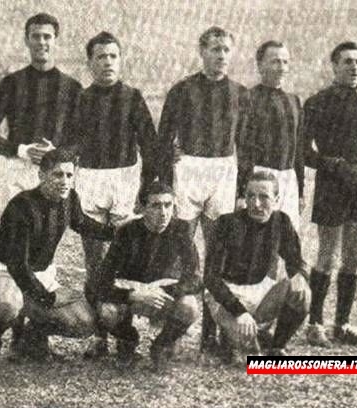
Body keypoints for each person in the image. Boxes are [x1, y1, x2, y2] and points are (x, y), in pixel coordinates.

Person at [62, 31, 160, 359]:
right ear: (90, 63)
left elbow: (149, 145)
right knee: (94, 261)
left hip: (125, 179)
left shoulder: (133, 97)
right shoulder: (81, 99)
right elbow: (70, 142)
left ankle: (125, 335)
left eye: (113, 56)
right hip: (90, 179)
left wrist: (145, 189)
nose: (108, 62)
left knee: (125, 260)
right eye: (101, 56)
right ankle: (99, 335)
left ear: (121, 60)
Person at [0, 148, 115, 376]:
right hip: (4, 272)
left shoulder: (70, 198)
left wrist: (119, 232)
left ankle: (31, 337)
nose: (65, 181)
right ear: (41, 175)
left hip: (41, 274)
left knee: (85, 322)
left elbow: (83, 224)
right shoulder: (21, 206)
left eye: (69, 175)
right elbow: (18, 266)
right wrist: (47, 298)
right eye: (57, 175)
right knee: (8, 303)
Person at [157, 26, 250, 352]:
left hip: (223, 170)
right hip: (188, 169)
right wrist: (165, 171)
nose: (221, 55)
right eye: (215, 49)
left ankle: (212, 334)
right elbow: (162, 138)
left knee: (217, 256)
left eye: (226, 49)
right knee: (179, 252)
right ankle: (171, 332)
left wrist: (242, 189)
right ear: (202, 51)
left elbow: (246, 146)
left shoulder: (241, 93)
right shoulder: (182, 90)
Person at [302, 42, 357, 347]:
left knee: (353, 257)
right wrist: (334, 165)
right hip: (332, 185)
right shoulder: (317, 102)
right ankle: (314, 323)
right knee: (327, 255)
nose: (354, 67)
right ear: (334, 66)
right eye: (348, 62)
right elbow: (304, 151)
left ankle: (342, 324)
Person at [203, 171, 311, 362]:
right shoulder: (227, 223)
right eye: (251, 196)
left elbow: (297, 261)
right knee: (248, 354)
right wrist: (239, 312)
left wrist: (300, 276)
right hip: (229, 295)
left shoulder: (282, 221)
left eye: (264, 197)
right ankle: (232, 335)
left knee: (302, 293)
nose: (256, 203)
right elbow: (211, 278)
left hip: (260, 292)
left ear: (276, 199)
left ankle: (277, 346)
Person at [94, 181, 201, 369]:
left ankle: (162, 344)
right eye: (156, 206)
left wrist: (164, 289)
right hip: (135, 295)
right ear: (142, 208)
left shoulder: (181, 230)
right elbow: (102, 281)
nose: (163, 212)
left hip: (162, 295)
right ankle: (128, 339)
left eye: (168, 205)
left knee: (190, 307)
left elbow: (195, 278)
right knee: (107, 311)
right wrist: (133, 294)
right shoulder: (127, 232)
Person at [0, 13, 82, 207]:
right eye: (36, 36)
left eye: (47, 36)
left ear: (55, 40)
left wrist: (58, 153)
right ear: (26, 40)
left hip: (57, 171)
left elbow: (84, 138)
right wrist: (20, 150)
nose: (41, 42)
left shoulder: (72, 87)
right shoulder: (11, 83)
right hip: (17, 171)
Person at [239, 40, 305, 230]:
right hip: (259, 177)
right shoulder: (248, 98)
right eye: (275, 61)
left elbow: (298, 149)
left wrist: (300, 191)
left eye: (285, 62)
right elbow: (243, 148)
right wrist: (242, 192)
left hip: (288, 179)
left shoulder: (294, 101)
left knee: (289, 236)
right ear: (260, 66)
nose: (281, 67)